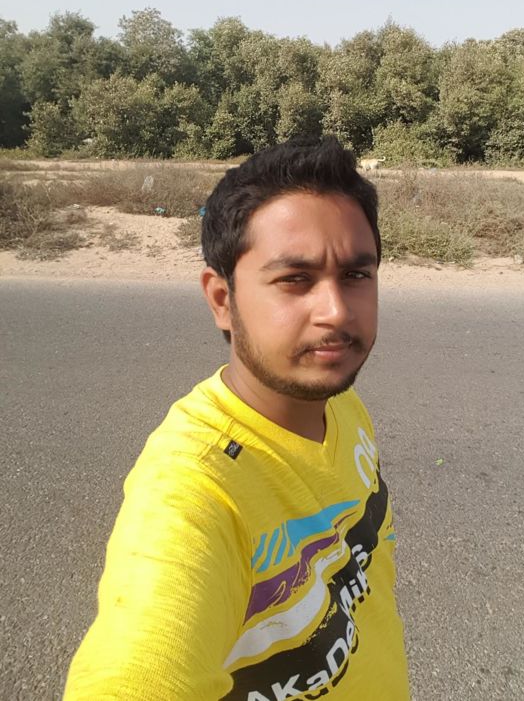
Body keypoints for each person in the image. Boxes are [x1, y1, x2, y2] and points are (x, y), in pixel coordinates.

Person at [64, 135, 410, 700]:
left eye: (356, 275)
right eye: (294, 279)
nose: (336, 311)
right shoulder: (194, 491)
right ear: (222, 300)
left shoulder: (338, 400)